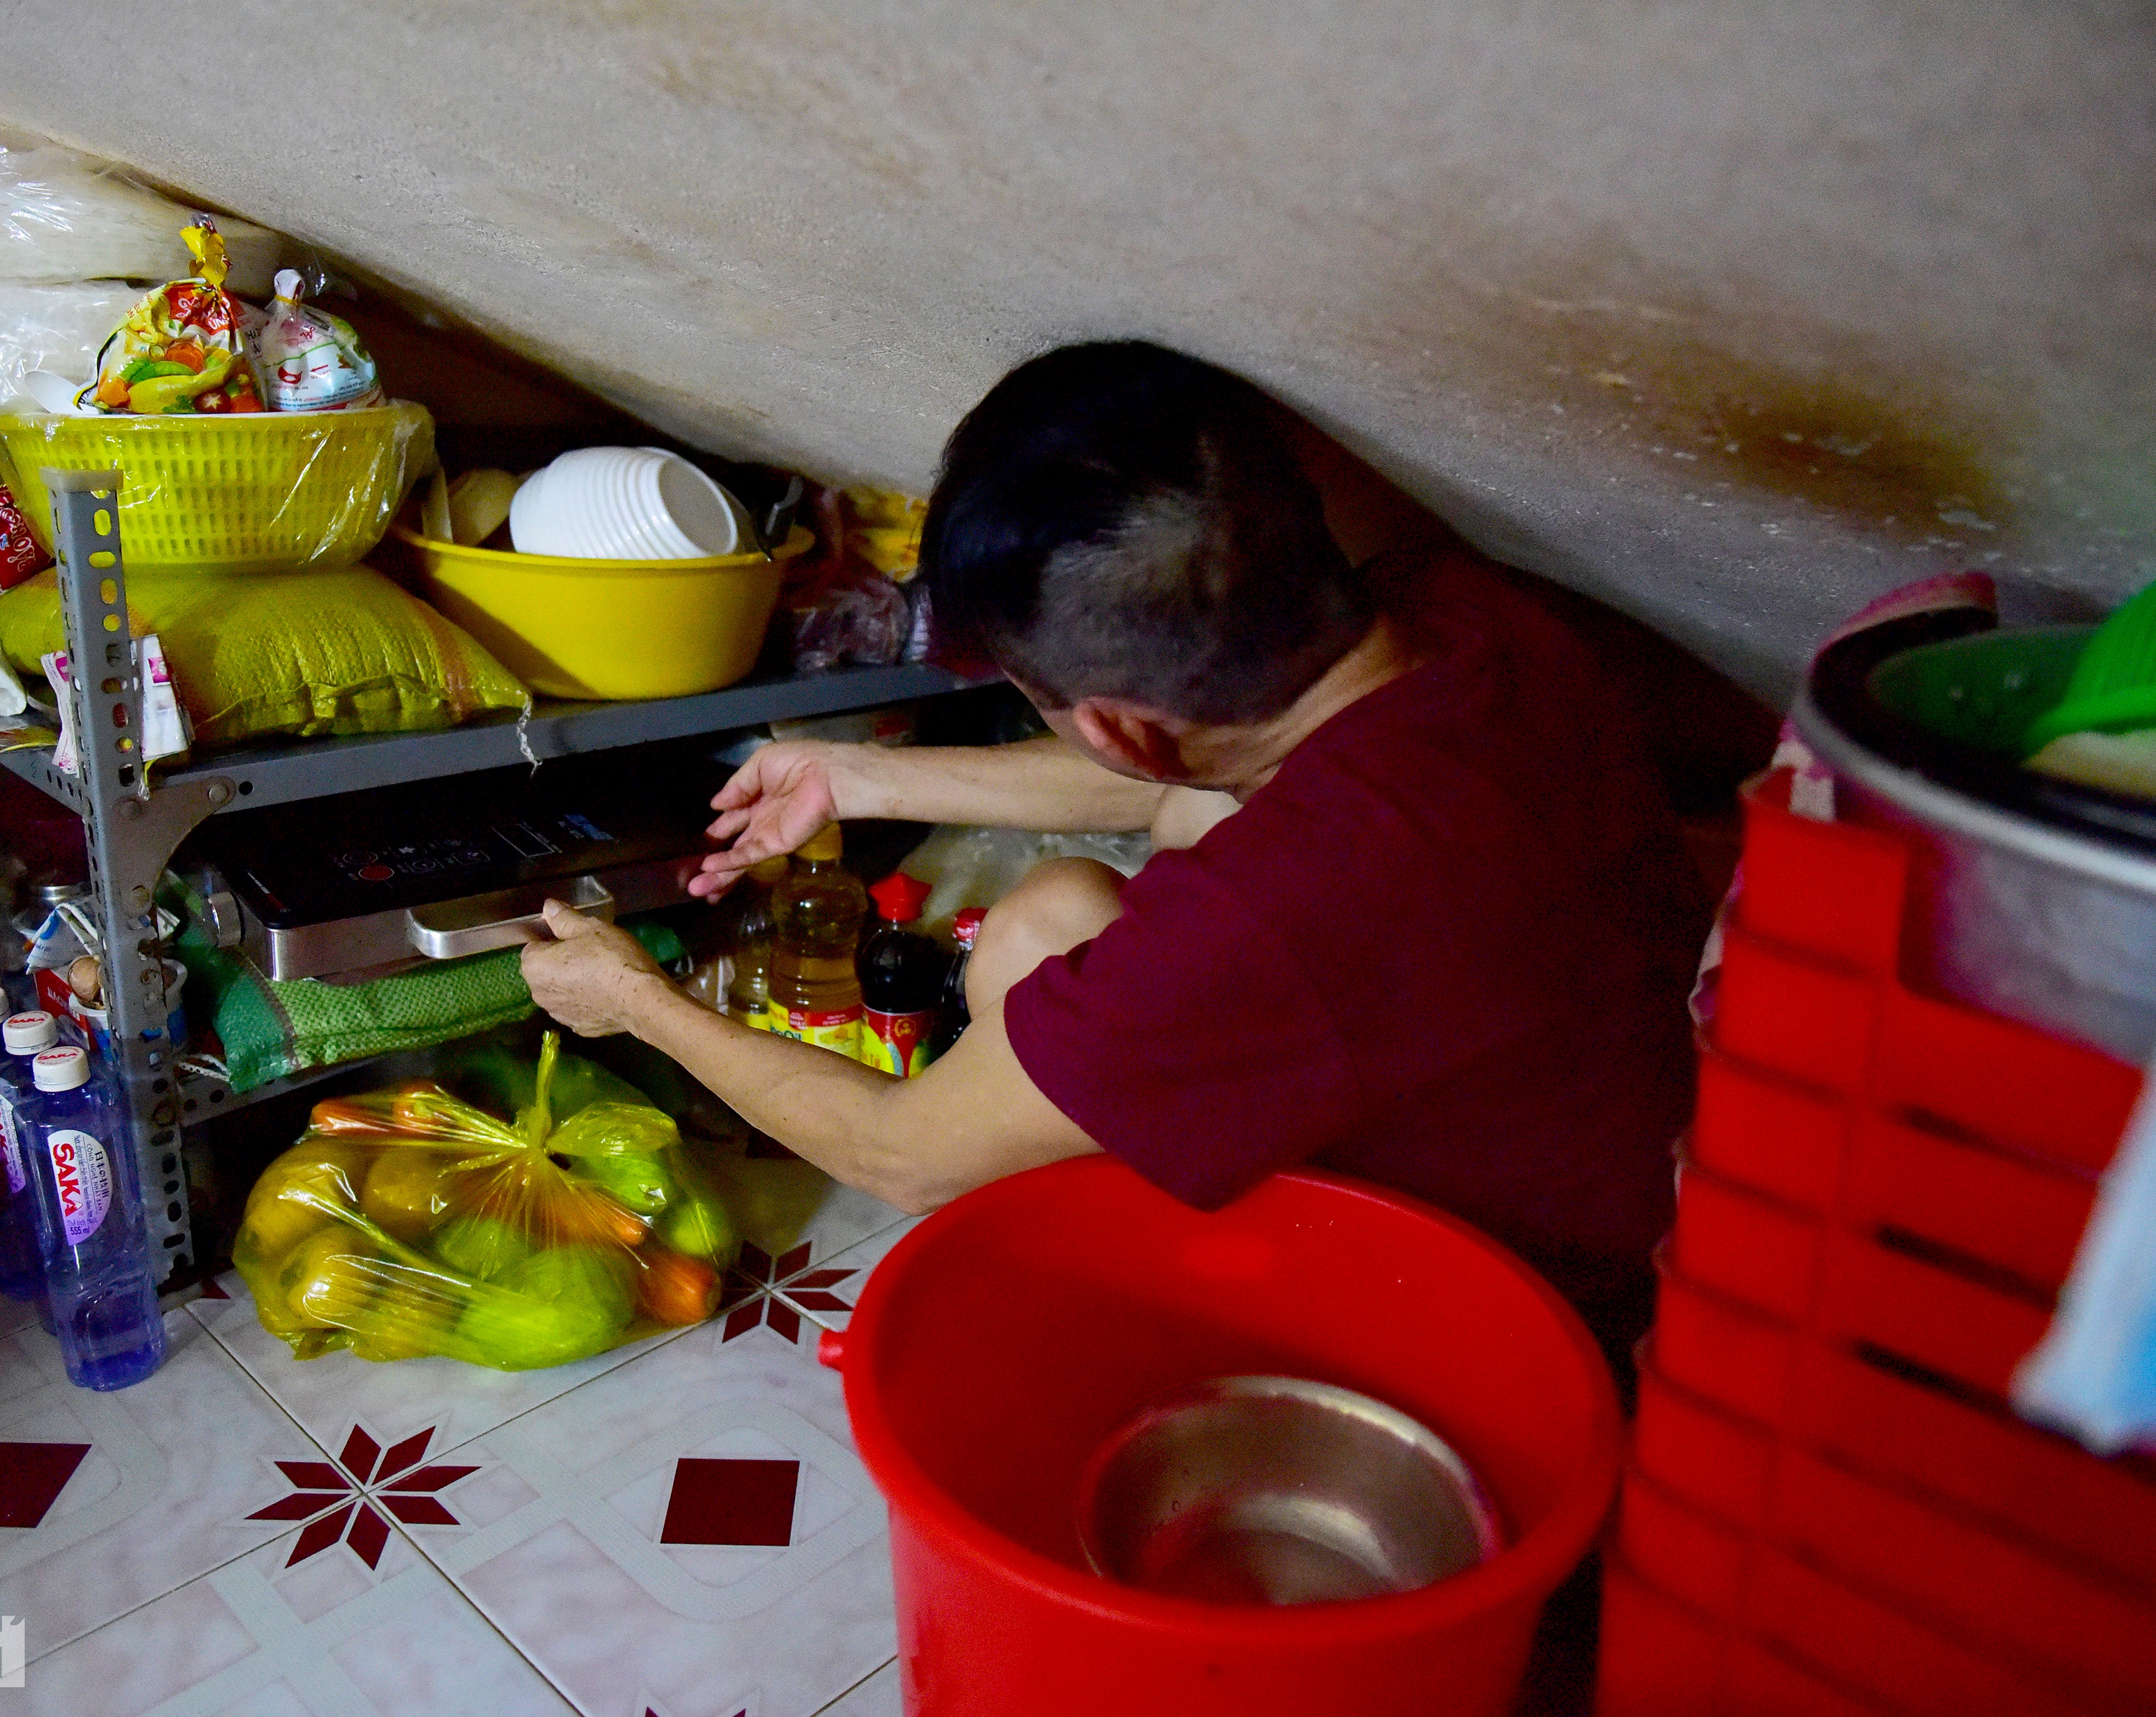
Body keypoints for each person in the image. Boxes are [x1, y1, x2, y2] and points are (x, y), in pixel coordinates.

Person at [520, 340, 1715, 1361]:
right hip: (1633, 1148)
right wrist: (862, 772)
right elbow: (1185, 786)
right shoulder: (1458, 611)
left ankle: (1161, 1328)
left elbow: (905, 1155)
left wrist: (636, 1000)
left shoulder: (1279, 917)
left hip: (1518, 1300)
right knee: (1054, 913)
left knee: (1017, 1102)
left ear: (1120, 724)